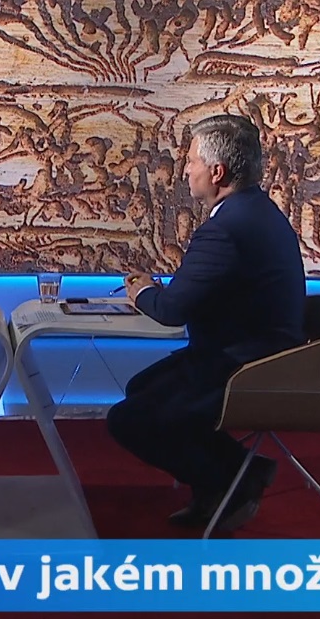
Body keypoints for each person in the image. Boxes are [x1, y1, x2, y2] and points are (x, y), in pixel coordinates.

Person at [108, 113, 307, 533]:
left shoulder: (227, 228)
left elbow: (171, 311)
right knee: (143, 389)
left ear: (217, 172)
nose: (186, 170)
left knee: (129, 419)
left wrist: (140, 293)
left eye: (192, 161)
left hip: (248, 366)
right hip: (261, 353)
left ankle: (231, 482)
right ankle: (239, 471)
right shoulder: (256, 211)